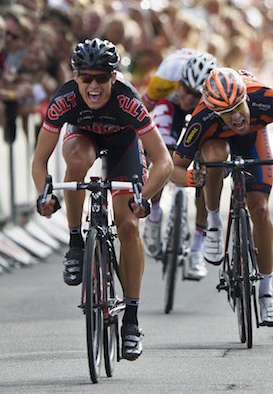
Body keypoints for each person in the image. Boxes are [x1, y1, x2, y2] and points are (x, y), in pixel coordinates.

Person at [32, 38, 172, 360]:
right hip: (84, 139)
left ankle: (132, 322)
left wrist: (144, 197)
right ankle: (75, 242)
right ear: (75, 76)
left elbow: (162, 161)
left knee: (127, 226)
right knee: (77, 161)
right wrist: (44, 196)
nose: (93, 86)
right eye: (85, 78)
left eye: (101, 78)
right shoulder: (64, 99)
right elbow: (40, 161)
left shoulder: (128, 101)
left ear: (113, 77)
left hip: (124, 144)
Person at [169, 68, 273, 326]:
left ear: (246, 98)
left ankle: (267, 292)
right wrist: (191, 178)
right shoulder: (203, 116)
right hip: (217, 143)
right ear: (214, 111)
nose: (235, 118)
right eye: (226, 113)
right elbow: (175, 167)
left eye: (238, 108)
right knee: (213, 155)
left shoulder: (267, 98)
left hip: (253, 141)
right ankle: (213, 223)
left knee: (260, 209)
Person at [141, 52, 218, 280]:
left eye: (196, 95)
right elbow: (141, 110)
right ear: (180, 83)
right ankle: (154, 216)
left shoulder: (216, 87)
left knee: (206, 168)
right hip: (167, 106)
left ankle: (198, 246)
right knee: (163, 155)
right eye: (186, 91)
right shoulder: (166, 78)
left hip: (204, 113)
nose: (188, 98)